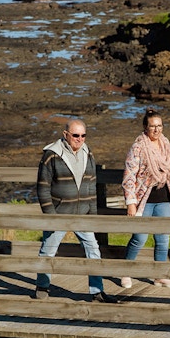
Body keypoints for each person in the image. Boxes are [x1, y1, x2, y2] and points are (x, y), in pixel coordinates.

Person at [35, 117, 118, 303]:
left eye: (83, 135)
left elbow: (91, 186)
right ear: (66, 135)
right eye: (75, 135)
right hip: (59, 213)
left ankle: (96, 291)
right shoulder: (51, 155)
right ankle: (42, 286)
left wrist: (93, 214)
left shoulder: (88, 153)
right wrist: (51, 216)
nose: (80, 139)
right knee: (48, 251)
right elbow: (42, 187)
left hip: (83, 213)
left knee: (93, 249)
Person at [120, 108, 170, 289]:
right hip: (143, 200)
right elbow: (129, 174)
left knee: (163, 239)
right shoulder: (138, 146)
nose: (156, 130)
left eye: (159, 126)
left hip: (164, 197)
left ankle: (159, 275)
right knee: (139, 238)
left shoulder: (165, 144)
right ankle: (126, 271)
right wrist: (130, 202)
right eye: (152, 126)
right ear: (145, 127)